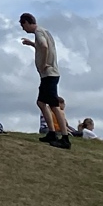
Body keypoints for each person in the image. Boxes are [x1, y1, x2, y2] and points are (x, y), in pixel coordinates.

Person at [20, 12, 69, 148]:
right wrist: (32, 44)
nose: (23, 29)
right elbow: (43, 46)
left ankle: (65, 138)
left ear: (26, 22)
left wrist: (43, 63)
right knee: (41, 102)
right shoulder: (44, 31)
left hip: (49, 74)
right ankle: (51, 133)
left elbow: (45, 46)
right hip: (48, 75)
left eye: (23, 26)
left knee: (54, 105)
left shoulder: (38, 32)